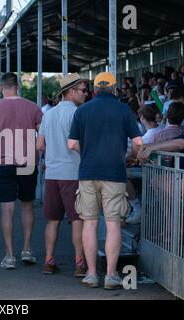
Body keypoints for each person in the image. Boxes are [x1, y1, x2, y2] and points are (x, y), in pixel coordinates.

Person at [68, 72, 143, 289]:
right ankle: (111, 275)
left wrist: (88, 151)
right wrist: (130, 156)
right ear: (113, 88)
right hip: (115, 173)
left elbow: (72, 144)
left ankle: (91, 274)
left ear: (94, 90)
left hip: (88, 172)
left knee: (89, 223)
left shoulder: (82, 110)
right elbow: (138, 142)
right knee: (113, 224)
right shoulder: (123, 110)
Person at [0, 72, 43, 270]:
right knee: (27, 206)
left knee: (7, 210)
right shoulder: (33, 107)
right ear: (18, 86)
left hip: (3, 163)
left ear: (1, 87)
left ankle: (9, 256)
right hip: (27, 161)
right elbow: (41, 136)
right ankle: (26, 250)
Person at [36, 73, 88, 277]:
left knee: (52, 219)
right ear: (71, 91)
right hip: (73, 172)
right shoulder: (78, 113)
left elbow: (39, 145)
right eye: (82, 90)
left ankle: (48, 260)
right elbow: (77, 144)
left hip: (52, 173)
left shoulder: (48, 113)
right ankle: (79, 263)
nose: (86, 93)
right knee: (77, 219)